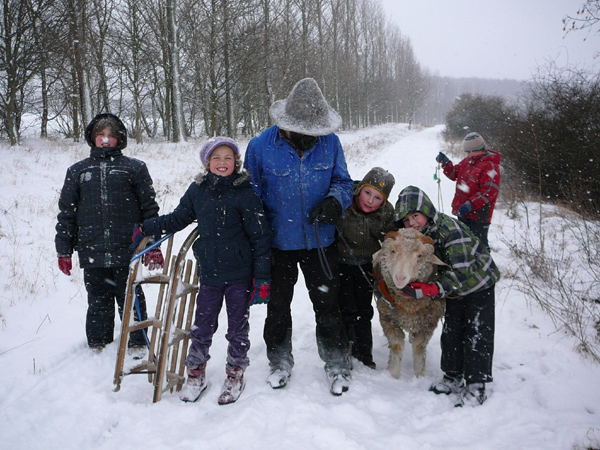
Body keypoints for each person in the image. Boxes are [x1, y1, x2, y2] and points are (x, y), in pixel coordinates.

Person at [133, 137, 271, 405]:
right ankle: (196, 374)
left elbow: (260, 237)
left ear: (236, 163)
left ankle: (235, 373)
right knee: (202, 326)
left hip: (240, 275)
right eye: (216, 158)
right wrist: (147, 227)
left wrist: (262, 277)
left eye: (228, 158)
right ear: (207, 162)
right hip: (209, 273)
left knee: (237, 328)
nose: (222, 163)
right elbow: (178, 218)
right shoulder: (198, 190)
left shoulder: (246, 192)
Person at [243, 77, 354, 396]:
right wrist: (256, 236)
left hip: (321, 243)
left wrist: (335, 200)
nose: (311, 136)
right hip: (278, 244)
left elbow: (344, 182)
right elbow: (251, 197)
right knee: (277, 306)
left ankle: (336, 361)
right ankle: (279, 360)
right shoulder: (260, 146)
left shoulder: (330, 143)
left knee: (328, 304)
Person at [55, 113, 164, 357]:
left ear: (119, 139)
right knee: (98, 300)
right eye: (100, 135)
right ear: (92, 138)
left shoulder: (134, 168)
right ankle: (99, 345)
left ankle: (137, 342)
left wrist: (153, 244)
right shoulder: (78, 171)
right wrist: (64, 249)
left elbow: (149, 209)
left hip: (128, 247)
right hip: (92, 249)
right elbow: (66, 213)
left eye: (111, 136)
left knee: (131, 297)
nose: (105, 140)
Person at [395, 185, 500, 407]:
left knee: (476, 332)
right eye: (406, 220)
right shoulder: (423, 235)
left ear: (427, 211)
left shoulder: (449, 230)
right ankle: (452, 376)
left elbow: (462, 271)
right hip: (453, 289)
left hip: (478, 284)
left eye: (415, 215)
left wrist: (430, 290)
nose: (412, 223)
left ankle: (476, 384)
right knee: (452, 330)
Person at [335, 167, 395, 369]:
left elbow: (389, 238)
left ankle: (364, 351)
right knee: (345, 307)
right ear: (359, 189)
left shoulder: (386, 213)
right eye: (367, 193)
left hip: (366, 265)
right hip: (341, 263)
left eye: (377, 198)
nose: (370, 201)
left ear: (384, 201)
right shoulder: (344, 203)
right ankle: (344, 347)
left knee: (364, 309)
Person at [435, 132, 501, 250]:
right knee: (464, 242)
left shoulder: (490, 166)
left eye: (470, 151)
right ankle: (466, 265)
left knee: (479, 245)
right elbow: (454, 174)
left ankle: (485, 266)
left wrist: (470, 204)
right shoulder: (467, 162)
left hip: (479, 216)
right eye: (467, 151)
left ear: (479, 149)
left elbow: (489, 192)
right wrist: (446, 163)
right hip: (463, 211)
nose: (468, 154)